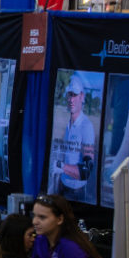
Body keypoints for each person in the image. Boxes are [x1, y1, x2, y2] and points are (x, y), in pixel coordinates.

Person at [49, 73, 98, 204]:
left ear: (82, 97)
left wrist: (62, 167)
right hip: (63, 186)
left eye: (75, 95)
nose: (71, 99)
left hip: (76, 192)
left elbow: (87, 169)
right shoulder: (69, 124)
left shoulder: (86, 126)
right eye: (69, 94)